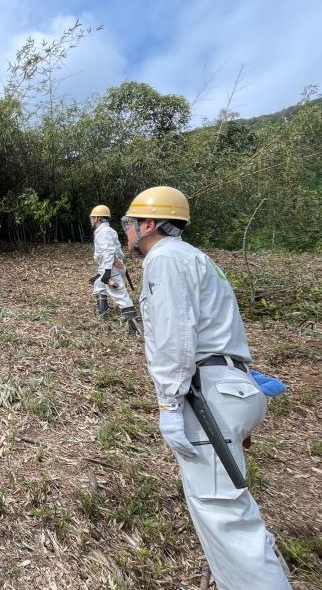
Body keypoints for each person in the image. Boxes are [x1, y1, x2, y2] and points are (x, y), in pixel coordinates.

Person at [122, 186, 291, 590]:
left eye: (129, 223)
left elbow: (173, 337)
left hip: (206, 395)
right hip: (231, 385)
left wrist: (167, 404)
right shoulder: (194, 256)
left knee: (225, 515)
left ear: (148, 224)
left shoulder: (163, 260)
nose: (126, 231)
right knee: (224, 510)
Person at [89, 205, 138, 334]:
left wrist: (107, 272)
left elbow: (108, 252)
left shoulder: (104, 232)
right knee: (98, 285)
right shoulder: (107, 230)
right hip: (112, 265)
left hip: (111, 266)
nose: (91, 220)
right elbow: (118, 252)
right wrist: (100, 275)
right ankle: (103, 315)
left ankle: (134, 328)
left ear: (97, 218)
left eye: (92, 218)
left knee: (120, 294)